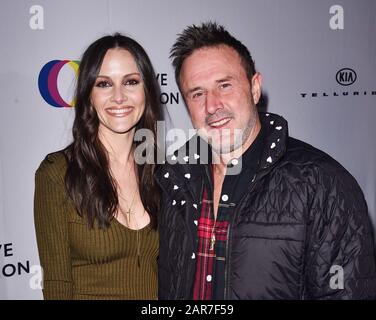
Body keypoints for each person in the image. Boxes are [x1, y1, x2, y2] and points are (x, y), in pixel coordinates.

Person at [155, 22, 376, 299]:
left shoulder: (324, 184)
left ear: (255, 87)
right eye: (197, 93)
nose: (212, 106)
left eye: (224, 85)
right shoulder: (174, 181)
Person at [34, 33, 161, 300]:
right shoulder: (57, 173)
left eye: (131, 82)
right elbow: (57, 285)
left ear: (146, 90)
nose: (119, 96)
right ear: (88, 95)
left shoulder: (162, 173)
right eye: (104, 84)